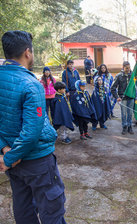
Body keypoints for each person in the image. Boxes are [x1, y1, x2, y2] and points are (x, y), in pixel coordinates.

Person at [0, 31, 66, 223]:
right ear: (27, 52)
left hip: (13, 158)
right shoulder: (31, 84)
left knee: (23, 207)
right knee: (52, 209)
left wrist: (5, 150)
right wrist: (10, 157)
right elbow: (31, 132)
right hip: (36, 160)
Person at [111, 61, 135, 135]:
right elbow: (113, 88)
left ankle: (130, 126)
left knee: (130, 113)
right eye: (126, 68)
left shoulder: (133, 75)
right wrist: (117, 97)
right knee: (124, 114)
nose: (128, 69)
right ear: (123, 67)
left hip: (131, 97)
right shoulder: (119, 76)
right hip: (123, 98)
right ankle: (124, 126)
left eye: (129, 68)